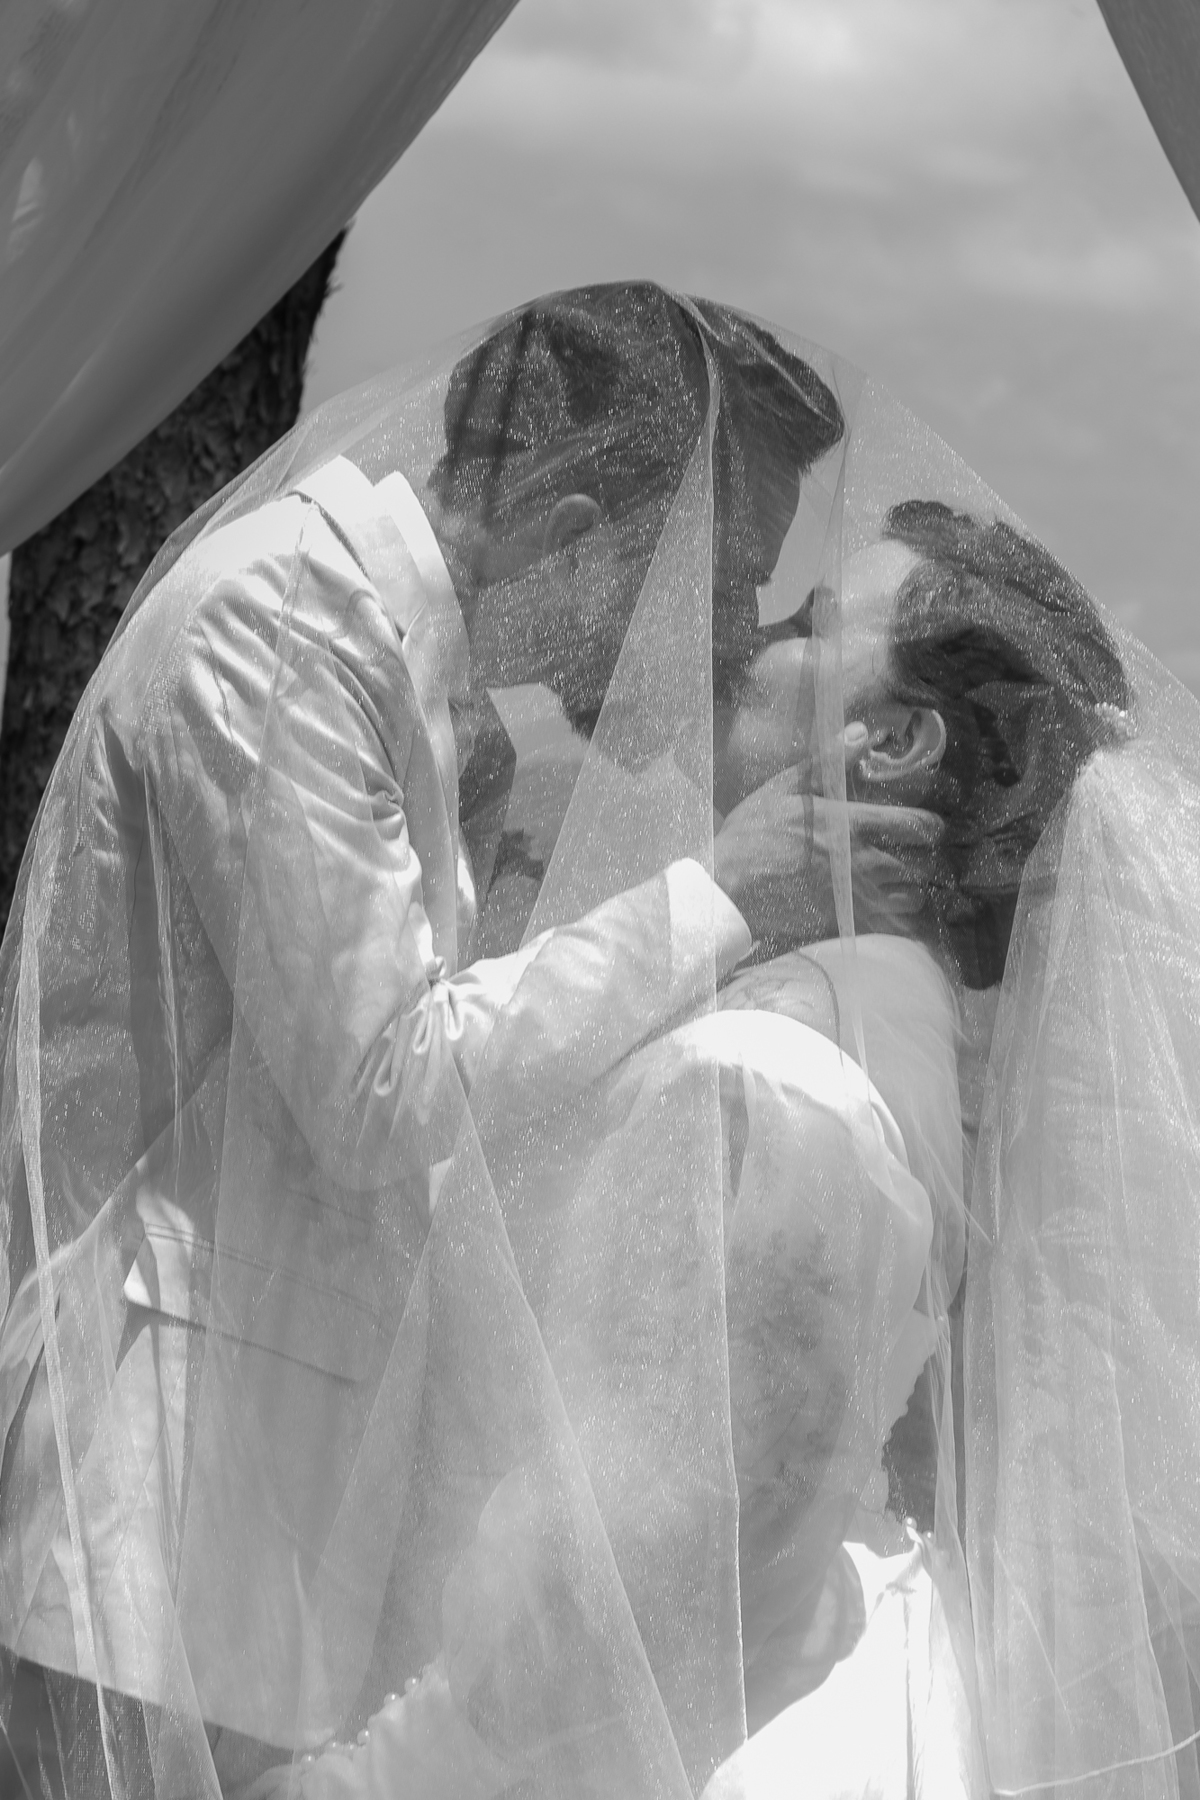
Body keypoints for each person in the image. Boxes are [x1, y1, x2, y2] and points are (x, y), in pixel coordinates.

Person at [0, 282, 876, 1795]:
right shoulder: (285, 627)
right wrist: (720, 897)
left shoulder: (409, 675)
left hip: (258, 1531)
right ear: (575, 528)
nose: (727, 632)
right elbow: (376, 1087)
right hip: (150, 1518)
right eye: (714, 576)